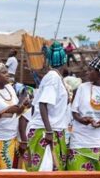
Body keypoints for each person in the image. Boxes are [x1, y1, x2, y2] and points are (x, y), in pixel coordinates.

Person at [68, 53, 100, 171]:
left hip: (99, 142)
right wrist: (82, 120)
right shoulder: (82, 87)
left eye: (90, 70)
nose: (87, 73)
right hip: (79, 142)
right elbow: (74, 111)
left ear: (99, 73)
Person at [23, 42, 70, 171]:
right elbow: (42, 104)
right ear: (64, 60)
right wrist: (49, 131)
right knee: (45, 173)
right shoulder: (52, 78)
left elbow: (35, 106)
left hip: (51, 129)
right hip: (45, 132)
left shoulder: (55, 78)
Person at [0, 63, 26, 169]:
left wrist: (23, 106)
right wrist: (8, 110)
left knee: (18, 171)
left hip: (14, 136)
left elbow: (17, 110)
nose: (8, 74)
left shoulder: (10, 88)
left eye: (7, 72)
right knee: (4, 174)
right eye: (4, 73)